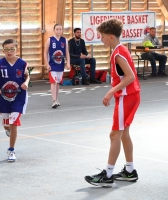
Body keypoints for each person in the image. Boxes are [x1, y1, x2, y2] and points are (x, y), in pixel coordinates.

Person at [84, 19, 141, 187]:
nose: (100, 39)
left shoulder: (117, 54)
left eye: (101, 36)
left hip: (126, 96)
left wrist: (110, 91)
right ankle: (130, 171)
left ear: (110, 36)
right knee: (123, 134)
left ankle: (107, 175)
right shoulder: (121, 49)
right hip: (131, 95)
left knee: (114, 135)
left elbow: (130, 76)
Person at [0, 39, 29, 162]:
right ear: (3, 50)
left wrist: (26, 82)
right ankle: (8, 130)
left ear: (17, 49)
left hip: (18, 96)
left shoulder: (22, 63)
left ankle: (11, 150)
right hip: (3, 96)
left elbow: (27, 76)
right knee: (6, 124)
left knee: (13, 122)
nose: (9, 51)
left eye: (12, 49)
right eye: (6, 49)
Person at [44, 24, 70, 108]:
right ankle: (54, 100)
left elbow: (67, 52)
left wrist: (68, 62)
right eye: (57, 29)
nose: (59, 31)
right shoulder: (50, 40)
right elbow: (45, 52)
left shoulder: (64, 40)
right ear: (54, 30)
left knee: (58, 82)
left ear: (62, 30)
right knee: (53, 82)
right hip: (52, 64)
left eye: (60, 29)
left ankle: (56, 98)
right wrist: (47, 64)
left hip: (60, 64)